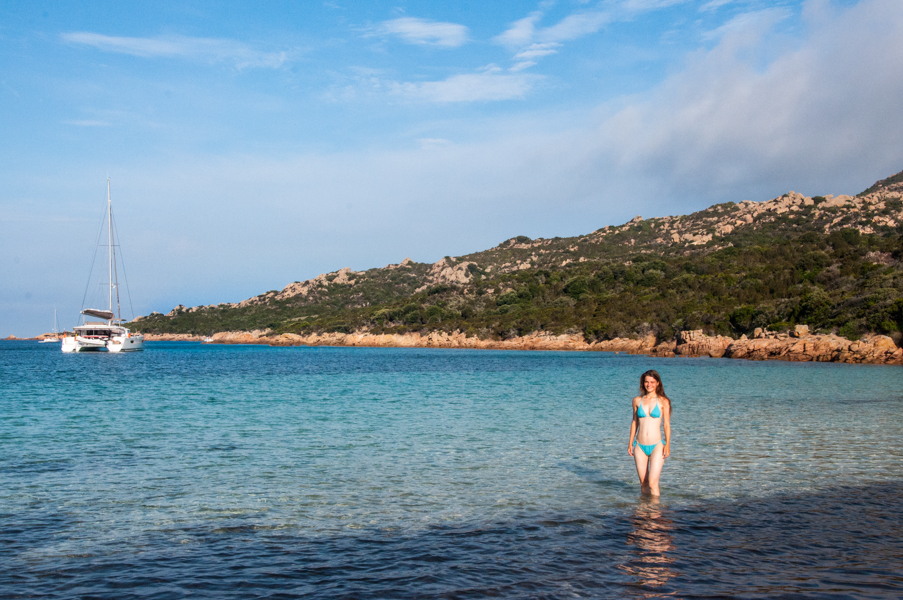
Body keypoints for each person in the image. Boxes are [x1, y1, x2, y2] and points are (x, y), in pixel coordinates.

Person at [627, 370, 671, 496]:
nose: (649, 384)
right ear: (643, 383)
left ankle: (655, 513)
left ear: (657, 383)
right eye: (646, 382)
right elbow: (634, 422)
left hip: (657, 445)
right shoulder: (637, 401)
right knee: (644, 483)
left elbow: (666, 425)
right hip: (640, 446)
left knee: (652, 483)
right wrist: (630, 443)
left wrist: (667, 444)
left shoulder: (663, 401)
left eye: (652, 382)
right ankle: (644, 512)